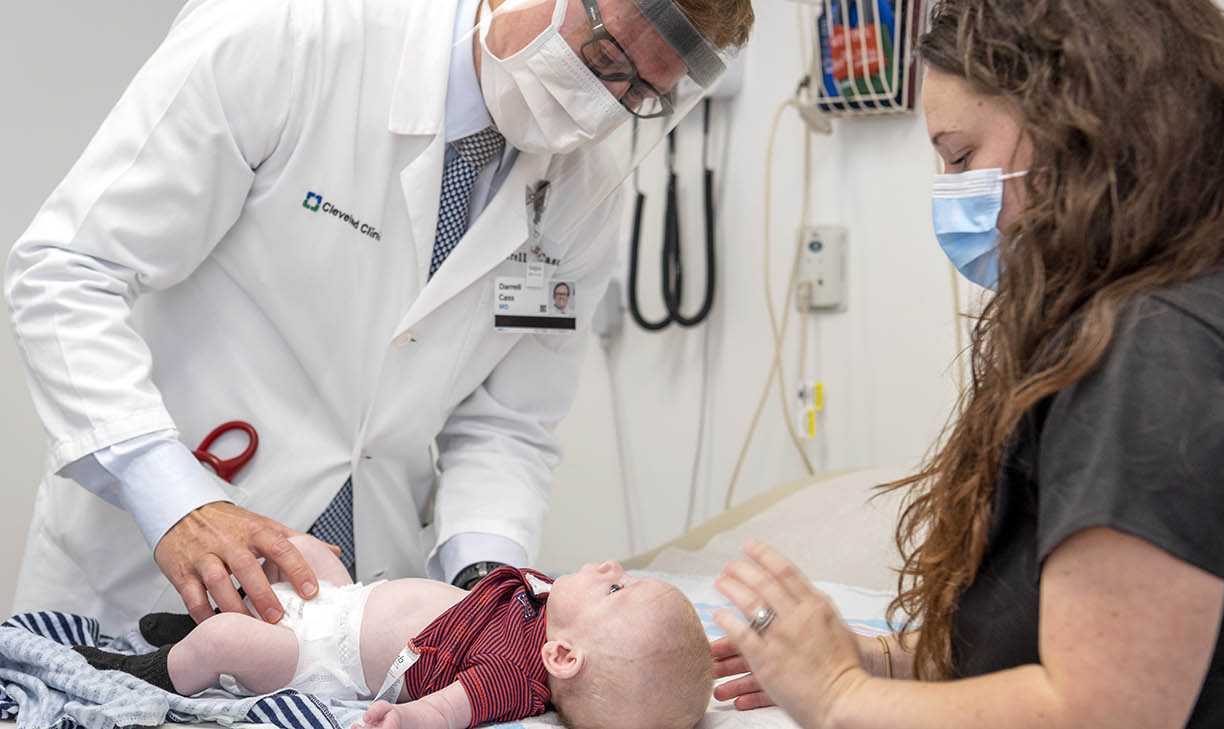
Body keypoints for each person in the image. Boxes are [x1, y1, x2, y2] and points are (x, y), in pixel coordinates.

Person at [4, 0, 754, 635]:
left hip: (359, 599)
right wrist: (172, 495)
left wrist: (485, 580)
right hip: (146, 561)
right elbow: (67, 271)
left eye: (637, 95)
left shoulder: (583, 189)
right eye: (602, 56)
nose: (601, 104)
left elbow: (507, 423)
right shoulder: (288, 34)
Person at [709, 1, 1224, 727]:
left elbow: (1102, 709)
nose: (953, 192)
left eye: (960, 156)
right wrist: (882, 661)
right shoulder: (1222, 298)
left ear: (1074, 119)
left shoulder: (1163, 353)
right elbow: (1079, 628)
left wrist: (839, 696)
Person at [75, 536, 712, 729]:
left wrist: (406, 722)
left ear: (565, 656)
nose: (610, 564)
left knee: (227, 650)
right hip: (344, 599)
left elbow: (449, 708)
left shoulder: (515, 676)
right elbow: (648, 655)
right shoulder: (542, 601)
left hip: (322, 656)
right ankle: (197, 622)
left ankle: (152, 667)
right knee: (299, 551)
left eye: (616, 590)